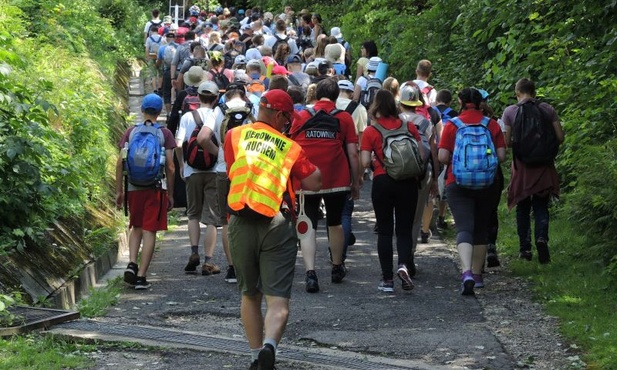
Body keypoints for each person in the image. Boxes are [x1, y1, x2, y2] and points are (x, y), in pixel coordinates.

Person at [224, 89, 322, 370]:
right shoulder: (290, 148)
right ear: (279, 115)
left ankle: (256, 357)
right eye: (288, 118)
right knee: (278, 298)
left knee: (249, 294)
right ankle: (270, 346)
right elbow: (314, 181)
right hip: (277, 223)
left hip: (241, 221)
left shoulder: (234, 136)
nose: (288, 123)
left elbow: (234, 172)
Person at [290, 77, 360, 293]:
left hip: (306, 177)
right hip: (336, 177)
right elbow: (353, 153)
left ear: (316, 93)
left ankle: (310, 273)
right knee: (335, 222)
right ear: (336, 95)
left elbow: (292, 147)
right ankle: (337, 267)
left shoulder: (301, 116)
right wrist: (355, 182)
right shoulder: (344, 118)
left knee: (308, 223)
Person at [438, 88, 506, 295]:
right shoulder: (491, 124)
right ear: (480, 103)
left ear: (460, 101)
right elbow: (501, 156)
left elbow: (442, 156)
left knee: (464, 227)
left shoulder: (452, 125)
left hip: (458, 183)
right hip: (488, 183)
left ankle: (466, 272)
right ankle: (477, 275)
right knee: (481, 227)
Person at [360, 89, 421, 292]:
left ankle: (387, 279)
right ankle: (404, 265)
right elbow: (420, 154)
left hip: (383, 181)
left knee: (385, 231)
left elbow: (365, 161)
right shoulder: (409, 126)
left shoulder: (372, 131)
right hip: (408, 182)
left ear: (376, 106)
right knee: (404, 229)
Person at [116, 94, 176, 289]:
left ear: (142, 109)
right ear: (159, 112)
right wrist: (171, 194)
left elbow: (120, 162)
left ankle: (132, 263)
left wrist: (119, 191)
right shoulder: (164, 134)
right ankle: (141, 276)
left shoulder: (131, 132)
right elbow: (170, 166)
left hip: (133, 187)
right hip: (155, 188)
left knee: (136, 226)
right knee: (150, 230)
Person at [502, 78, 564, 264]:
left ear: (517, 92)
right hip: (544, 166)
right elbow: (560, 137)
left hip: (522, 167)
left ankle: (525, 249)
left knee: (522, 207)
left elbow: (506, 142)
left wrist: (521, 144)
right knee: (541, 206)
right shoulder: (547, 109)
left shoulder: (510, 111)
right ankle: (542, 238)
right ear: (534, 91)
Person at [174, 80, 224, 276]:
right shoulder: (218, 115)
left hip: (192, 170)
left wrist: (182, 165)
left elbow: (178, 144)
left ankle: (194, 252)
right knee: (212, 217)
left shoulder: (187, 116)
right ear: (216, 98)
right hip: (214, 171)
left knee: (193, 214)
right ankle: (209, 260)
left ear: (198, 96)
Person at [398, 82, 439, 278]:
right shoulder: (426, 123)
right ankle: (409, 256)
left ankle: (400, 256)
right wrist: (435, 180)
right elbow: (433, 151)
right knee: (415, 217)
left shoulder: (394, 121)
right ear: (417, 103)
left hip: (397, 173)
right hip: (422, 173)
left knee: (400, 216)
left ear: (401, 103)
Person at [336, 79, 368, 263]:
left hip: (329, 160)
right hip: (349, 161)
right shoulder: (359, 109)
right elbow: (361, 144)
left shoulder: (328, 104)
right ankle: (340, 257)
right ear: (350, 92)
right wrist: (360, 174)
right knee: (345, 212)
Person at [433, 89, 458, 230]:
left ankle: (430, 209)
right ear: (450, 102)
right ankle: (441, 218)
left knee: (432, 181)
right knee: (444, 183)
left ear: (437, 100)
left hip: (432, 150)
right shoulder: (455, 115)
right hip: (447, 152)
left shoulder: (430, 111)